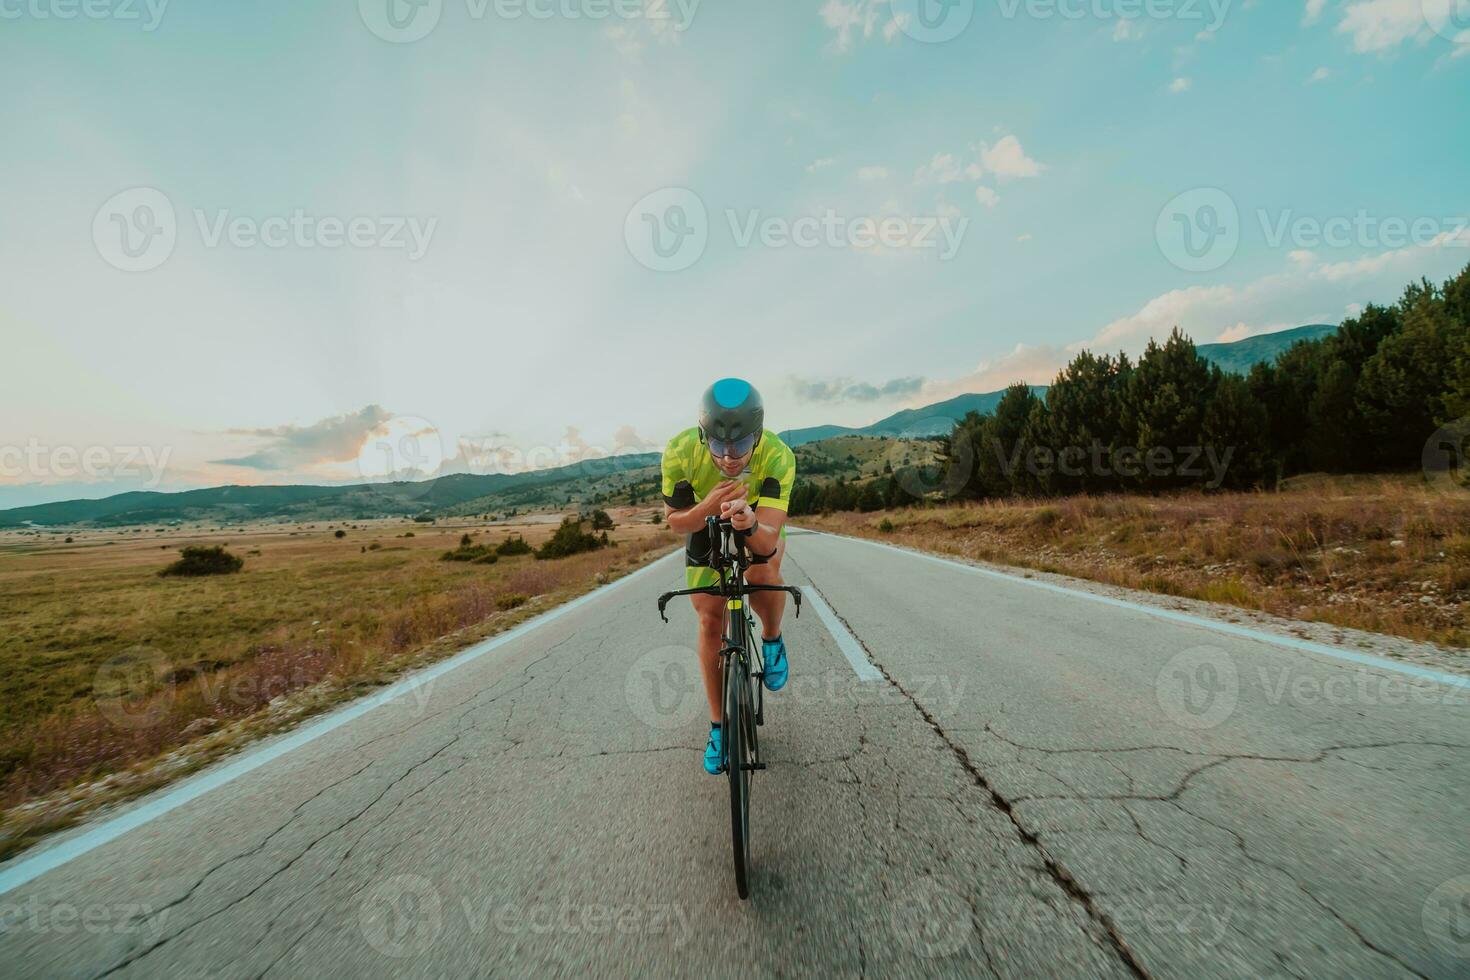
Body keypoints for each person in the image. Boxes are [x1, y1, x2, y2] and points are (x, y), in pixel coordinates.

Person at [661, 379, 796, 774]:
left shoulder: (778, 455)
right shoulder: (679, 452)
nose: (730, 457)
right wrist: (707, 504)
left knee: (765, 569)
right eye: (719, 446)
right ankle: (719, 727)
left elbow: (769, 541)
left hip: (757, 521)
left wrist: (750, 524)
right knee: (708, 618)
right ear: (704, 436)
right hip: (705, 520)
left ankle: (771, 639)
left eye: (740, 446)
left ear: (757, 436)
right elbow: (675, 522)